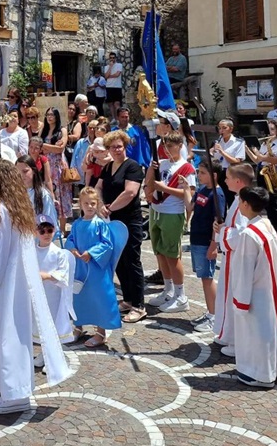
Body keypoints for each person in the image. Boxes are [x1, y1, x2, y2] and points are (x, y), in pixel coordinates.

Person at [0, 159, 70, 414]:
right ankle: (14, 387)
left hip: (6, 283)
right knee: (16, 334)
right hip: (18, 282)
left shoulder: (2, 212)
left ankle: (14, 395)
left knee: (8, 335)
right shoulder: (20, 209)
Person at [229, 187, 277, 388]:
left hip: (257, 291)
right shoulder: (266, 224)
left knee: (258, 332)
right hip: (271, 285)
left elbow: (245, 269)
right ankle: (276, 367)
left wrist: (240, 300)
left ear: (246, 204)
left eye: (240, 201)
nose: (238, 205)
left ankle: (262, 374)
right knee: (271, 330)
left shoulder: (248, 234)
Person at [96, 130, 146, 323]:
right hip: (111, 220)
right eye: (112, 147)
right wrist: (101, 205)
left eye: (119, 146)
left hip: (129, 219)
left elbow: (130, 192)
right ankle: (127, 298)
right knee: (119, 260)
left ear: (125, 146)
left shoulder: (132, 167)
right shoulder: (108, 167)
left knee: (132, 260)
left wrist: (110, 207)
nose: (116, 150)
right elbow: (99, 187)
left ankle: (139, 305)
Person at [145, 131, 196, 313]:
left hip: (173, 213)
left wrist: (164, 188)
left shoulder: (187, 168)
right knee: (160, 252)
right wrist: (151, 172)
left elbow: (188, 193)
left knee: (172, 255)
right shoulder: (163, 164)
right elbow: (149, 186)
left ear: (180, 146)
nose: (167, 150)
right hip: (156, 210)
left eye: (171, 146)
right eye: (165, 146)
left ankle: (181, 295)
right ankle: (168, 290)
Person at [66, 186, 122, 348]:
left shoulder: (100, 224)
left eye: (92, 203)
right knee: (79, 296)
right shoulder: (77, 224)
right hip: (80, 268)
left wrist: (90, 253)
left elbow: (107, 244)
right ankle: (78, 327)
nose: (89, 206)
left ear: (97, 204)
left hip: (97, 269)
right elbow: (70, 239)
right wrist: (73, 249)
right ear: (81, 205)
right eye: (86, 203)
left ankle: (100, 333)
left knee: (99, 298)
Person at [214, 163, 253, 350]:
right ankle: (228, 333)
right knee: (227, 295)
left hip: (238, 259)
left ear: (238, 181)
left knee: (235, 297)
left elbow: (242, 234)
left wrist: (223, 231)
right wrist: (221, 229)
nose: (225, 180)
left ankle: (238, 341)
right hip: (231, 258)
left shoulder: (245, 202)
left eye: (227, 177)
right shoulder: (238, 199)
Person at [34, 215, 75, 365]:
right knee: (39, 325)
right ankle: (44, 354)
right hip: (38, 295)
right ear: (35, 232)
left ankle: (53, 358)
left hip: (54, 296)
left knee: (52, 325)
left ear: (55, 230)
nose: (46, 234)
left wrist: (48, 276)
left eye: (49, 230)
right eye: (42, 230)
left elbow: (64, 275)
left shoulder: (58, 253)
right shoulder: (32, 251)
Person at [189, 161, 224, 333]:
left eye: (202, 172)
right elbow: (190, 206)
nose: (199, 175)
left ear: (214, 175)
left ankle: (215, 315)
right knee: (203, 278)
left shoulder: (217, 194)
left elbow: (218, 221)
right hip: (196, 239)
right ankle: (211, 312)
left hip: (205, 242)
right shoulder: (202, 190)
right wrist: (184, 189)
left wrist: (214, 244)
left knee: (208, 278)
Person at [41, 107, 72, 234]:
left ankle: (63, 228)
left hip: (58, 166)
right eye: (47, 114)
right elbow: (37, 144)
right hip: (45, 165)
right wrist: (51, 147)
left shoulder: (62, 130)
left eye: (52, 115)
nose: (49, 117)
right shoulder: (44, 129)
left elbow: (60, 149)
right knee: (47, 193)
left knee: (61, 195)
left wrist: (45, 146)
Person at [16, 156, 59, 236]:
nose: (21, 175)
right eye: (17, 173)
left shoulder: (43, 195)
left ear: (34, 171)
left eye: (25, 171)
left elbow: (51, 224)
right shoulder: (15, 194)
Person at [212, 119, 245, 207]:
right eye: (219, 128)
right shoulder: (218, 142)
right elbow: (214, 158)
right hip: (219, 172)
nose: (221, 131)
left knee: (231, 199)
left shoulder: (239, 142)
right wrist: (211, 152)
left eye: (224, 128)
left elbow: (237, 161)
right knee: (219, 200)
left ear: (231, 129)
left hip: (231, 173)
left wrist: (222, 152)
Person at [103, 52, 124, 119]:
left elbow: (117, 74)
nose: (112, 59)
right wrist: (110, 67)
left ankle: (119, 117)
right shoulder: (106, 67)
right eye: (111, 58)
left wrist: (109, 76)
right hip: (109, 87)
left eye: (113, 58)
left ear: (115, 58)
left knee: (116, 104)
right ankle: (114, 118)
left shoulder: (119, 65)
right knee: (110, 104)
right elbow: (106, 76)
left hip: (117, 87)